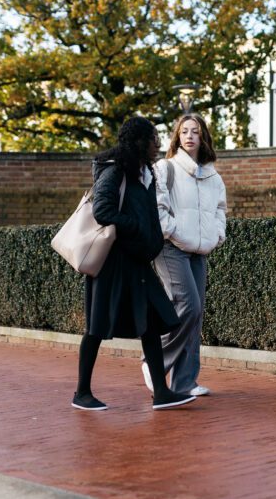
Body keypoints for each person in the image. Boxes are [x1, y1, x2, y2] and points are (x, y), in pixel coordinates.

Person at [73, 116, 197, 411]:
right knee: (96, 326)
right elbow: (103, 210)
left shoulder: (146, 174)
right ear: (140, 141)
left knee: (151, 324)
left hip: (137, 262)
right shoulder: (116, 170)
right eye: (153, 137)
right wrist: (137, 228)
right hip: (112, 265)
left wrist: (151, 239)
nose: (157, 143)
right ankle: (81, 393)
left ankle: (162, 393)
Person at [140, 112, 227, 397]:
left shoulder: (213, 176)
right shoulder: (166, 168)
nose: (190, 136)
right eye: (185, 131)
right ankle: (153, 364)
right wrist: (173, 231)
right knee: (187, 306)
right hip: (170, 247)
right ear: (177, 136)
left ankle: (184, 382)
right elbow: (157, 206)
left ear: (204, 138)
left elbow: (220, 210)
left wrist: (217, 234)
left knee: (196, 313)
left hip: (199, 251)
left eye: (196, 131)